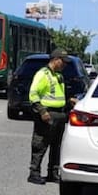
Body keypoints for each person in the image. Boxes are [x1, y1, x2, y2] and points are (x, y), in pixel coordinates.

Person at [27, 48, 75, 185]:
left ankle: (52, 173)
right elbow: (33, 94)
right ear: (55, 60)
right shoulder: (43, 74)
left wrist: (68, 102)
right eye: (63, 62)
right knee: (40, 144)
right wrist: (42, 111)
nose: (64, 65)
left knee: (57, 146)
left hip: (60, 114)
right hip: (47, 114)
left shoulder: (59, 76)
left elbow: (57, 95)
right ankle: (34, 173)